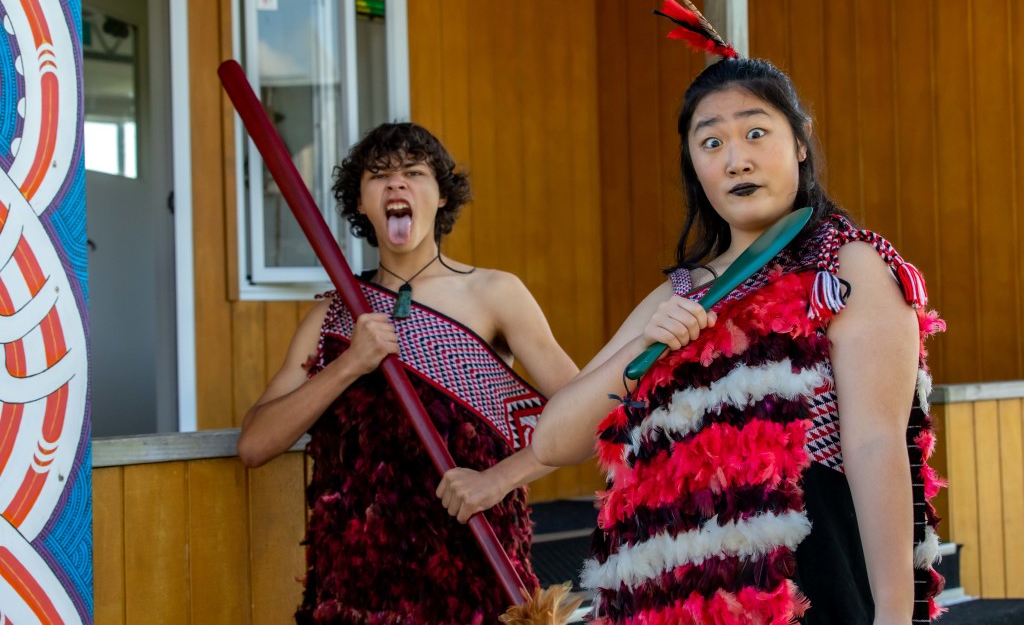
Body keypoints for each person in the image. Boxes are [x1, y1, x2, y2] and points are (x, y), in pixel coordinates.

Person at [532, 52, 945, 624]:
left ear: (800, 142)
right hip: (672, 598)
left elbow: (875, 443)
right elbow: (554, 442)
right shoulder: (681, 293)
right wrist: (643, 347)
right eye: (711, 143)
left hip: (804, 587)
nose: (736, 161)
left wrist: (895, 614)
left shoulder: (845, 264)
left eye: (755, 133)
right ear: (693, 165)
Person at [237, 122, 578, 624]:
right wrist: (349, 364)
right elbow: (254, 445)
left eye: (414, 173)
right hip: (353, 587)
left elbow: (586, 418)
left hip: (473, 571)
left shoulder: (494, 294)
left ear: (442, 196)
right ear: (361, 203)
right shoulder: (332, 317)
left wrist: (498, 480)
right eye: (379, 175)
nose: (396, 183)